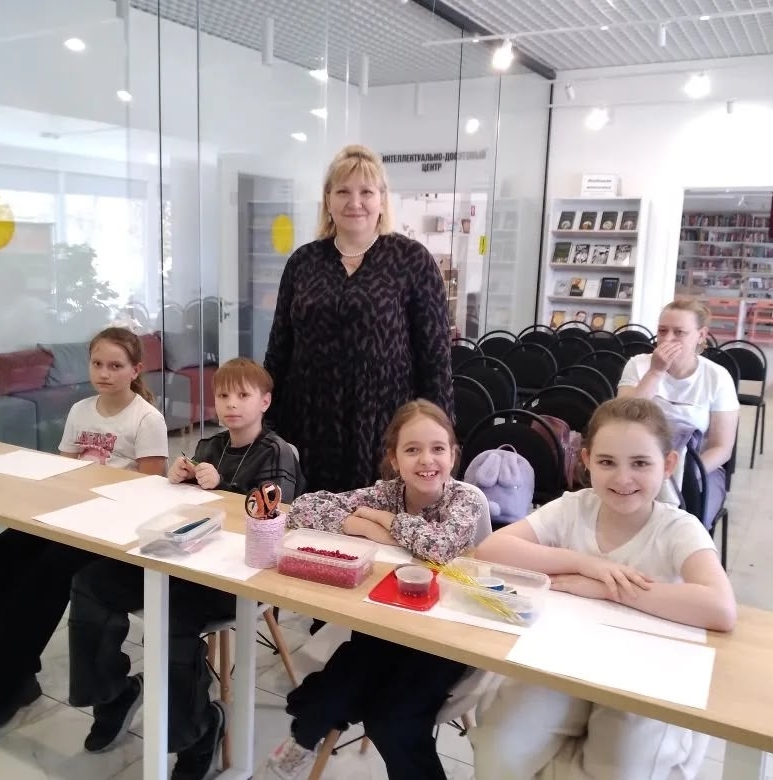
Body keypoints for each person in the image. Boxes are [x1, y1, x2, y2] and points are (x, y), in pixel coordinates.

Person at [468, 397, 736, 780]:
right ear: (587, 460)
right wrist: (585, 563)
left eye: (640, 463)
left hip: (644, 675)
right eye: (607, 462)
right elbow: (492, 550)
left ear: (668, 465)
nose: (623, 479)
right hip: (565, 662)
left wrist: (607, 588)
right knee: (499, 750)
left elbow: (721, 608)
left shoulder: (678, 527)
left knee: (622, 768)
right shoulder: (573, 508)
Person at [0, 327, 169, 740]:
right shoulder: (80, 410)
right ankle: (18, 677)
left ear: (135, 370)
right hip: (70, 515)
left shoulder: (147, 419)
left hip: (112, 528)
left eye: (115, 366)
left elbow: (149, 493)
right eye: (97, 364)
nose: (104, 373)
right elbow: (61, 474)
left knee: (47, 573)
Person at [66, 357, 304, 780]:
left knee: (169, 621)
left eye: (243, 395)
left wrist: (224, 487)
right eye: (223, 395)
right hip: (180, 560)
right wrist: (178, 479)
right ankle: (114, 695)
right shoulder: (209, 446)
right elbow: (184, 511)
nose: (231, 404)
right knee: (90, 583)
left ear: (265, 402)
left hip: (235, 575)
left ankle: (200, 731)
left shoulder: (276, 452)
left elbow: (271, 515)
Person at [265, 400, 485, 780]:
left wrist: (383, 522)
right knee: (331, 691)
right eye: (412, 450)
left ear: (453, 454)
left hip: (443, 638)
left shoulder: (464, 499)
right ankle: (304, 738)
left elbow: (439, 547)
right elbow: (303, 509)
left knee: (392, 720)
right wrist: (360, 525)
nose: (426, 460)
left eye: (437, 448)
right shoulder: (387, 492)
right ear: (394, 459)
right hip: (383, 625)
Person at [264, 144, 453, 496]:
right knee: (308, 518)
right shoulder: (303, 262)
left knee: (378, 519)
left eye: (366, 192)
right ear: (328, 199)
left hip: (384, 424)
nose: (355, 202)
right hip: (308, 422)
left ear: (382, 199)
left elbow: (436, 358)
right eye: (343, 192)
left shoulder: (412, 260)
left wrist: (439, 437)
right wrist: (265, 422)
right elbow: (278, 349)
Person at [617, 299, 739, 527]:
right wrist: (655, 372)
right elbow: (622, 420)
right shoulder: (639, 365)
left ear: (701, 335)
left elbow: (721, 447)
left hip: (697, 466)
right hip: (638, 460)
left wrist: (685, 473)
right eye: (662, 331)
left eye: (679, 332)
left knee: (685, 522)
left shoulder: (717, 377)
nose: (667, 339)